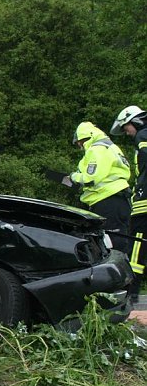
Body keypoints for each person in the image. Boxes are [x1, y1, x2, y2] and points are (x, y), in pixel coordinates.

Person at [69, 121, 132, 253]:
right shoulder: (112, 147)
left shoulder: (96, 149)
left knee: (110, 242)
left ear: (84, 138)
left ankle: (113, 272)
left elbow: (90, 178)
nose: (80, 147)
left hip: (107, 200)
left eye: (79, 143)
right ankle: (123, 269)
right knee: (120, 239)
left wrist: (74, 177)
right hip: (120, 200)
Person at [111, 105, 147, 302]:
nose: (127, 132)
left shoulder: (143, 136)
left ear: (135, 121)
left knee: (137, 245)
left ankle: (131, 293)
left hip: (145, 203)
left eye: (126, 128)